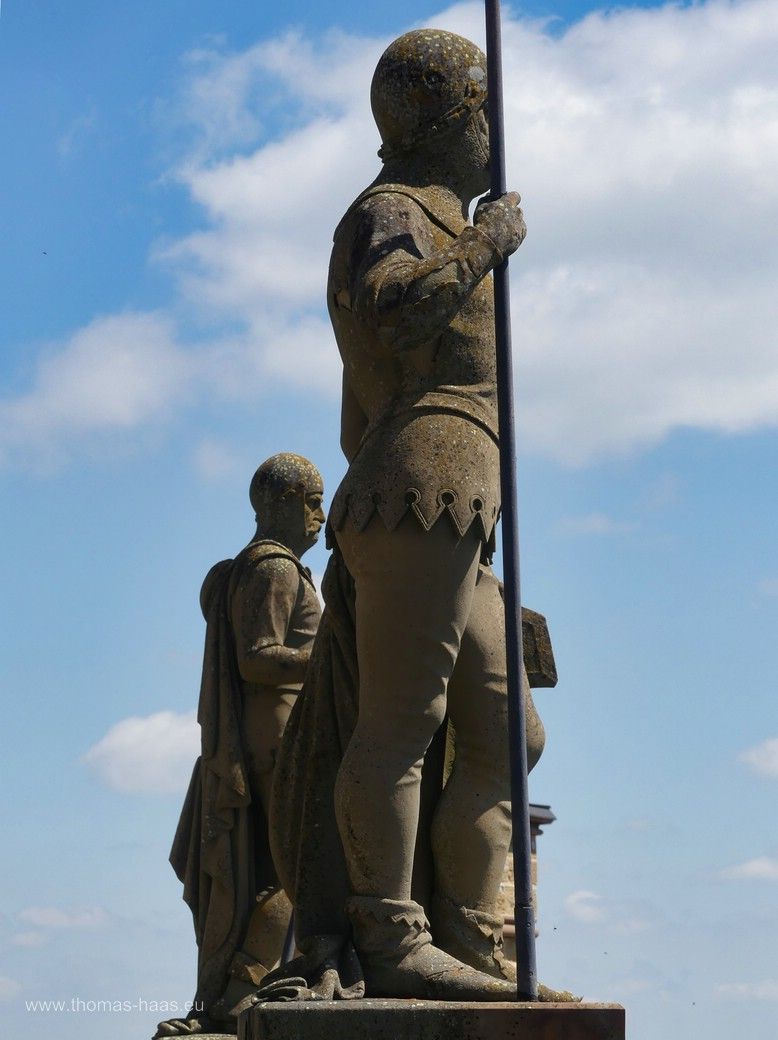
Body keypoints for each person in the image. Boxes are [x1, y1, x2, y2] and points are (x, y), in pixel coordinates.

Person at [320, 29, 548, 998]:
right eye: (487, 112)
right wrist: (482, 244)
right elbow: (390, 309)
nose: (500, 136)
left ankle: (482, 938)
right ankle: (392, 935)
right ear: (454, 118)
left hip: (461, 494)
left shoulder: (439, 210)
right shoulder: (394, 209)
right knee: (402, 721)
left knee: (511, 735)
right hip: (419, 478)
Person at [155, 454, 325, 1037]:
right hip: (276, 738)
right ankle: (239, 991)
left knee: (277, 871)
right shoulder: (274, 569)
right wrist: (330, 659)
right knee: (293, 870)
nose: (321, 517)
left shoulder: (264, 570)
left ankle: (239, 989)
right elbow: (258, 657)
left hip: (271, 734)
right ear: (278, 504)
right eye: (313, 500)